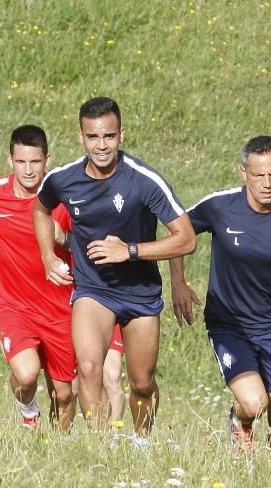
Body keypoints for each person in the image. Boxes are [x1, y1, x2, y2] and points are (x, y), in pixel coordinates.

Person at [33, 97, 196, 445]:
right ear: (81, 137)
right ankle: (102, 446)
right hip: (93, 289)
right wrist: (48, 256)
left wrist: (131, 252)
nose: (101, 145)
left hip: (140, 293)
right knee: (90, 368)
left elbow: (185, 238)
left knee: (141, 383)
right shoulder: (63, 179)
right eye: (93, 137)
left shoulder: (144, 180)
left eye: (109, 136)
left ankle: (141, 443)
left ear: (121, 134)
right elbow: (41, 209)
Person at [170, 136, 271, 456]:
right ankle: (240, 423)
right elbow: (180, 233)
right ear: (243, 172)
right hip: (229, 324)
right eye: (259, 175)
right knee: (254, 404)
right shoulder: (220, 204)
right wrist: (179, 283)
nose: (267, 183)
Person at [0, 125, 77, 431]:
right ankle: (28, 410)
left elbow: (87, 249)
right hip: (12, 303)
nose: (28, 170)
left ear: (47, 160)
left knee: (65, 394)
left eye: (35, 162)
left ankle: (59, 447)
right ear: (10, 160)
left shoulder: (65, 201)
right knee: (27, 374)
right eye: (21, 162)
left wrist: (63, 238)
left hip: (59, 308)